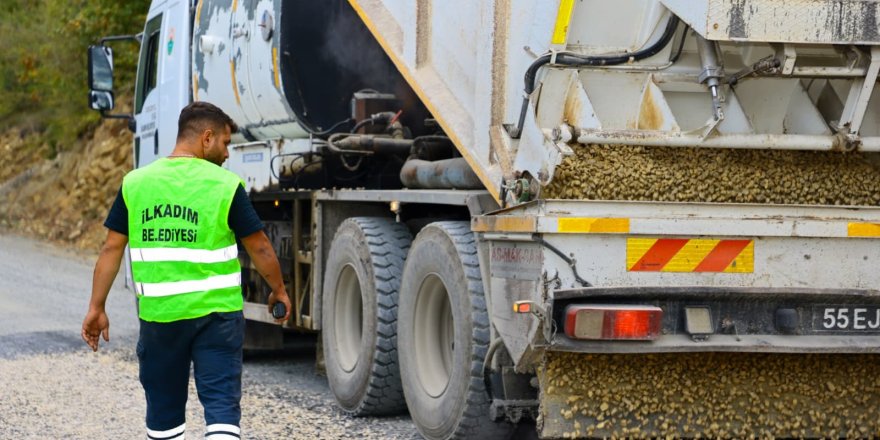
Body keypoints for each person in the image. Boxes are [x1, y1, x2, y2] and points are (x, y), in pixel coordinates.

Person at [81, 101, 292, 440]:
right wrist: (278, 290)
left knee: (164, 417)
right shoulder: (225, 186)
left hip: (160, 318)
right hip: (217, 317)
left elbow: (111, 249)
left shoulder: (136, 183)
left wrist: (96, 307)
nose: (227, 153)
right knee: (221, 408)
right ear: (206, 138)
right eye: (224, 143)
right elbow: (261, 247)